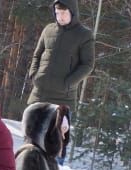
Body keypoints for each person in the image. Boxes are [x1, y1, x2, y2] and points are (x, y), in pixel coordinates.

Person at [26, 0, 93, 132]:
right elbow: (37, 55)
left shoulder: (84, 34)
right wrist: (34, 75)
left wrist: (67, 83)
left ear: (72, 12)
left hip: (63, 99)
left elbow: (87, 65)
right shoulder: (48, 29)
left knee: (55, 144)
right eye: (57, 13)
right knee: (31, 138)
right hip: (39, 94)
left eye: (64, 13)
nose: (60, 16)